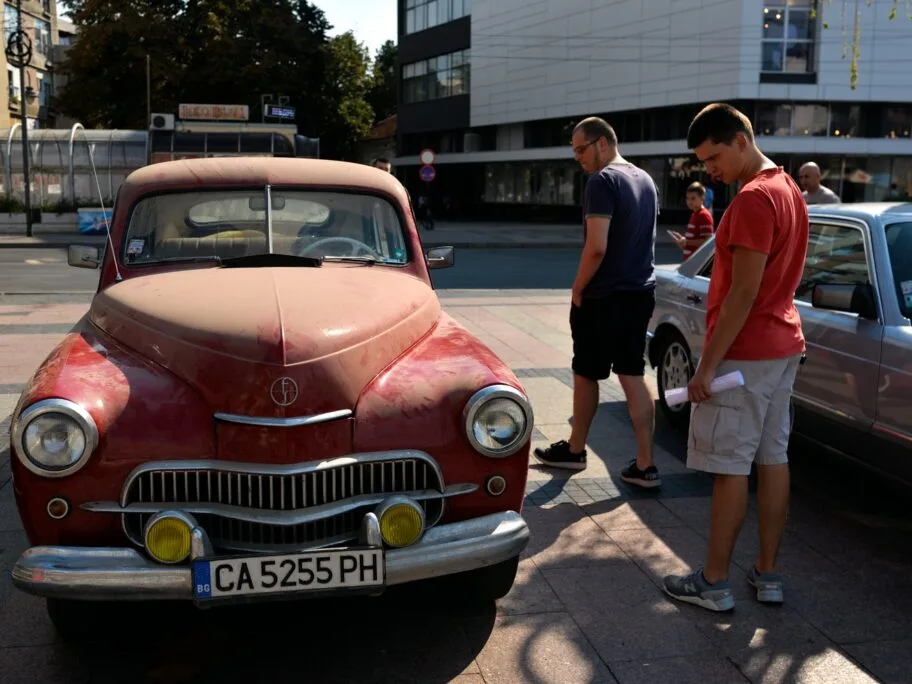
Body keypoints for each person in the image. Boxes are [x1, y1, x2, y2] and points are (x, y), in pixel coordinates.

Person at [662, 103, 808, 612]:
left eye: (715, 156)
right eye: (704, 162)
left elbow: (743, 294)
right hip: (784, 345)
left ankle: (714, 582)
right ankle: (767, 574)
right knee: (773, 458)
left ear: (742, 140)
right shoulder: (789, 189)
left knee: (730, 467)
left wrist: (706, 368)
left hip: (746, 354)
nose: (710, 170)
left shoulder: (752, 200)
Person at [533, 116, 660, 488]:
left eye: (580, 149)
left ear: (602, 143)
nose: (577, 157)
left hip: (604, 296)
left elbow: (597, 246)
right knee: (633, 374)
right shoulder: (645, 179)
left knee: (586, 373)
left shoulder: (602, 181)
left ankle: (574, 451)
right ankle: (646, 464)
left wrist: (577, 288)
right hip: (641, 292)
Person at [669, 182, 715, 260]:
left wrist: (686, 242)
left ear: (702, 198)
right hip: (691, 262)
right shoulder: (695, 214)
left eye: (693, 198)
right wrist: (682, 240)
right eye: (688, 198)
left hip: (697, 263)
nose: (689, 202)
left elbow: (707, 242)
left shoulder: (704, 215)